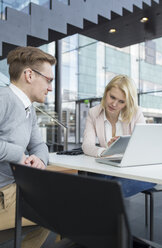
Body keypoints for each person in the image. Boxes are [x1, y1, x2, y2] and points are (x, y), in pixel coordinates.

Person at [0, 46, 56, 248]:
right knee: (58, 210)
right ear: (29, 75)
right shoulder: (3, 99)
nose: (50, 88)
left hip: (12, 188)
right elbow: (19, 152)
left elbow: (39, 144)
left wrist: (39, 158)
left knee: (57, 204)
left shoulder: (28, 109)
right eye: (49, 80)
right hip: (3, 193)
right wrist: (19, 155)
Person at [82, 74, 155, 197]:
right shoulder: (94, 113)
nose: (114, 104)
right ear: (106, 93)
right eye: (112, 97)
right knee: (99, 181)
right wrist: (106, 151)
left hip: (133, 169)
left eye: (121, 101)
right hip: (109, 166)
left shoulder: (136, 113)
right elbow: (87, 145)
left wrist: (123, 147)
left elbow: (143, 147)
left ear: (127, 103)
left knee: (107, 190)